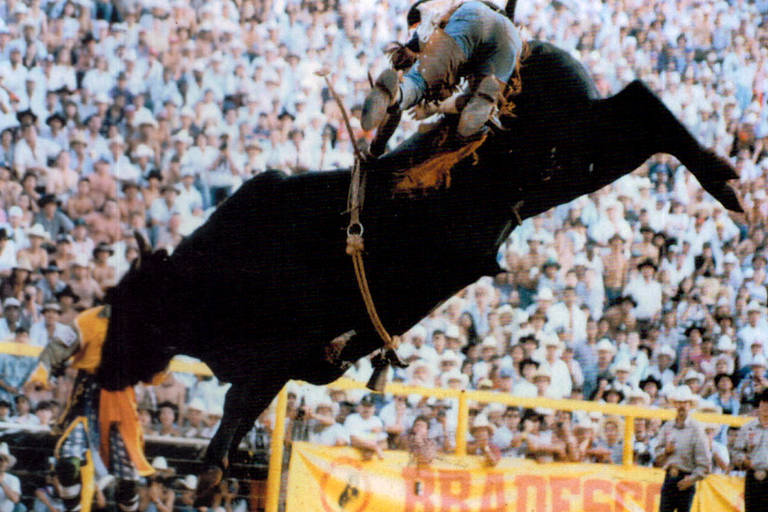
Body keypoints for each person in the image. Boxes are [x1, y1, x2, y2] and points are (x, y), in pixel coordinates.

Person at [25, 306, 161, 512]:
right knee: (68, 463)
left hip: (120, 398)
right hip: (87, 395)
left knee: (127, 478)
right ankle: (73, 508)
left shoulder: (143, 324)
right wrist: (41, 373)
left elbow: (155, 366)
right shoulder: (88, 319)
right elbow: (57, 347)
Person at [362, 0, 522, 139]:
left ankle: (399, 96)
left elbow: (404, 71)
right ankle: (483, 103)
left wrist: (397, 95)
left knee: (418, 82)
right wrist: (436, 107)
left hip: (472, 17)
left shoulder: (425, 16)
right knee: (477, 97)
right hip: (511, 38)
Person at [654, 385, 711, 512]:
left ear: (690, 405)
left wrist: (692, 479)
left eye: (684, 402)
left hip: (687, 478)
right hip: (669, 477)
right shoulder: (667, 427)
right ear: (674, 404)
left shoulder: (697, 429)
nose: (681, 406)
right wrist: (665, 451)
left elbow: (705, 464)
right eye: (679, 402)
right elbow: (657, 455)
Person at [733, 389, 768, 510]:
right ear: (759, 404)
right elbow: (737, 451)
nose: (766, 406)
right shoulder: (747, 428)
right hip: (752, 476)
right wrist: (742, 460)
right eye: (763, 402)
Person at [0, 443, 20, 512]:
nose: (2, 463)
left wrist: (2, 482)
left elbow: (15, 499)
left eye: (5, 460)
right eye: (0, 460)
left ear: (8, 464)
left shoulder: (13, 479)